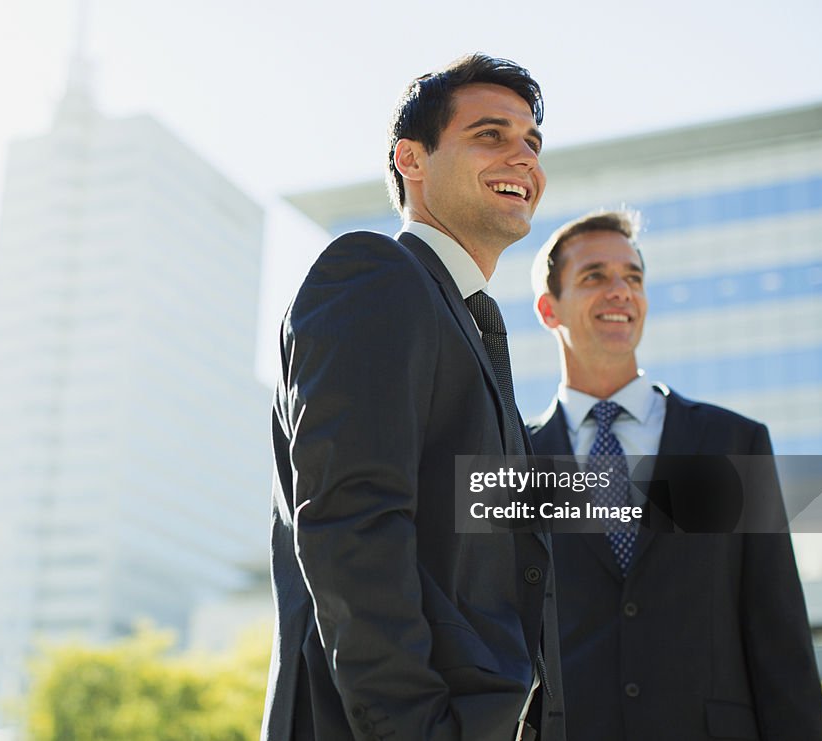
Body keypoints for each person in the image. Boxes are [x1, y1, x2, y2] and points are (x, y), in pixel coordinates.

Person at [261, 54, 565, 741]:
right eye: (491, 134)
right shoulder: (376, 273)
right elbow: (352, 518)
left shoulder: (471, 328)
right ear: (412, 158)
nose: (524, 155)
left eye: (532, 141)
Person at [527, 209, 822, 740]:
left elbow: (779, 638)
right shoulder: (516, 462)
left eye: (633, 277)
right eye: (595, 275)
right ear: (549, 309)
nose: (620, 291)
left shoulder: (731, 444)